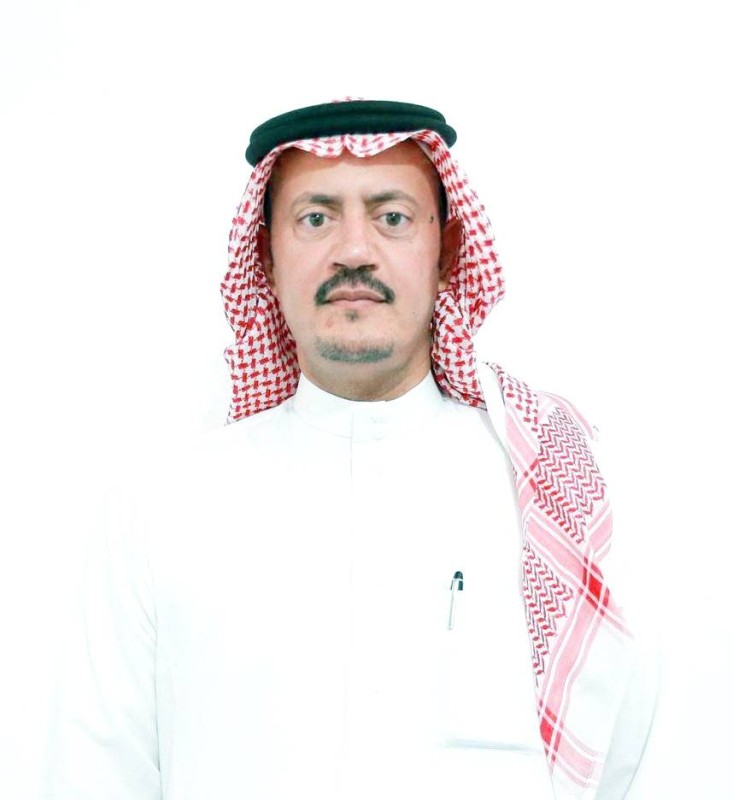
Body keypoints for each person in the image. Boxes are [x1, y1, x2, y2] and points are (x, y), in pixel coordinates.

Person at [41, 99, 657, 800]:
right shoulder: (161, 509)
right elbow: (92, 774)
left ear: (447, 252)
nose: (355, 251)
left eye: (392, 216)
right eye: (316, 218)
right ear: (266, 259)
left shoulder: (552, 492)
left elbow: (628, 753)